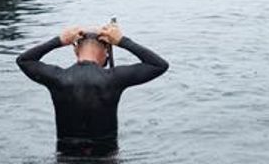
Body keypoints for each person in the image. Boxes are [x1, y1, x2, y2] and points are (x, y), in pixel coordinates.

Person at [16, 21, 169, 156]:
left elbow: (24, 60)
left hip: (67, 161)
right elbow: (158, 65)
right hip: (104, 163)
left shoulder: (58, 78)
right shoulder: (113, 79)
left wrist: (59, 41)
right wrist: (122, 41)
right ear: (106, 51)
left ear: (76, 51)